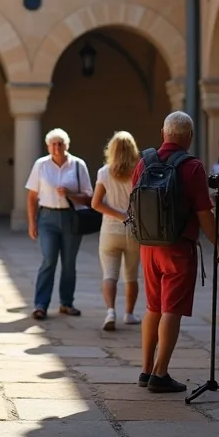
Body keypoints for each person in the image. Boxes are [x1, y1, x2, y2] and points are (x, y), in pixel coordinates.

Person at [133, 111, 219, 394]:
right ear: (190, 137)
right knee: (171, 310)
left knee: (153, 308)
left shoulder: (144, 162)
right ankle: (161, 375)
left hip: (148, 246)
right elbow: (203, 214)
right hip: (179, 247)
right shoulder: (193, 167)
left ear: (164, 133)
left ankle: (146, 369)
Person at [25, 129, 93, 320]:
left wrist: (70, 194)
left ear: (67, 145)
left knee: (69, 263)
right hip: (47, 217)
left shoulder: (78, 165)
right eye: (53, 144)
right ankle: (41, 304)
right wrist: (32, 222)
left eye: (60, 143)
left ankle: (66, 303)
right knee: (48, 260)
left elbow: (89, 197)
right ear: (48, 146)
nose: (57, 147)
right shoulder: (41, 165)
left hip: (71, 217)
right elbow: (31, 196)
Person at [91, 131, 142, 331]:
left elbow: (96, 203)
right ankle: (129, 313)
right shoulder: (138, 171)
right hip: (134, 230)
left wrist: (118, 215)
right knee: (131, 276)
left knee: (109, 274)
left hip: (110, 230)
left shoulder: (104, 172)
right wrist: (128, 216)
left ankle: (110, 311)